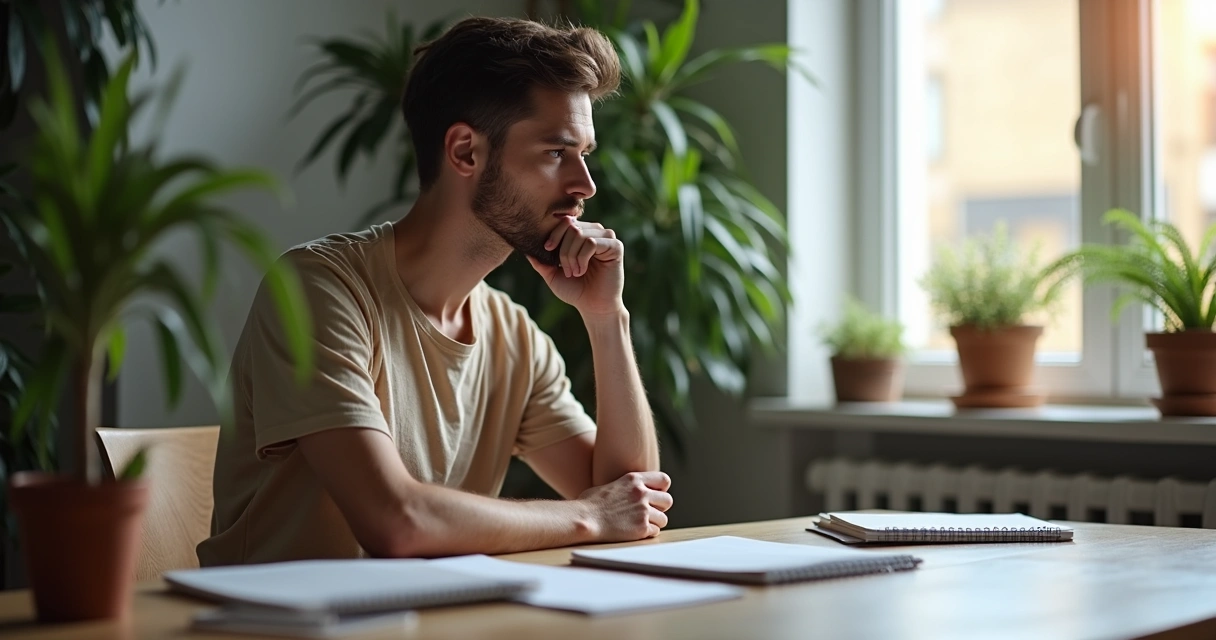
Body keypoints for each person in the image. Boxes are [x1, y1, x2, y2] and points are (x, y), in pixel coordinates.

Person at [197, 16, 672, 566]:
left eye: (584, 154)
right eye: (555, 152)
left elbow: (635, 500)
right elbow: (395, 522)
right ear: (466, 152)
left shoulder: (514, 336)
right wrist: (589, 516)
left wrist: (606, 317)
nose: (585, 185)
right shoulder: (319, 291)